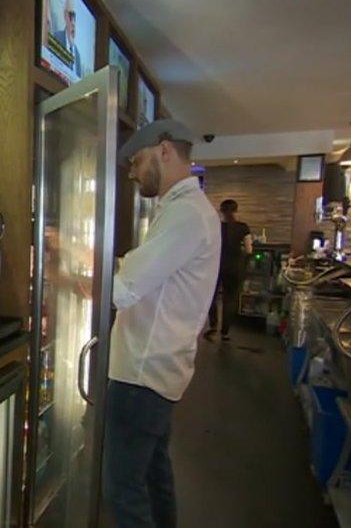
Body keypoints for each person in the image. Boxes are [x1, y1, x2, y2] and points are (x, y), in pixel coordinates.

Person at [103, 120, 221, 528]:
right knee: (154, 476)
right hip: (160, 371)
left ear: (164, 150)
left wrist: (73, 275)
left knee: (124, 489)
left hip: (142, 374)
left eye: (136, 161)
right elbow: (147, 270)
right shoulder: (183, 210)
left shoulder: (186, 214)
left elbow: (122, 290)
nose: (133, 172)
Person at [205, 199, 253, 342]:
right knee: (229, 300)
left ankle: (213, 326)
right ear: (236, 210)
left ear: (221, 211)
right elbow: (249, 249)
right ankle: (225, 332)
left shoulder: (216, 227)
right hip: (234, 267)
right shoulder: (243, 227)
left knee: (212, 297)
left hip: (216, 266)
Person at [51, 0, 82, 77]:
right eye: (71, 16)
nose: (73, 23)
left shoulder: (78, 55)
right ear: (65, 16)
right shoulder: (56, 38)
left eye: (75, 18)